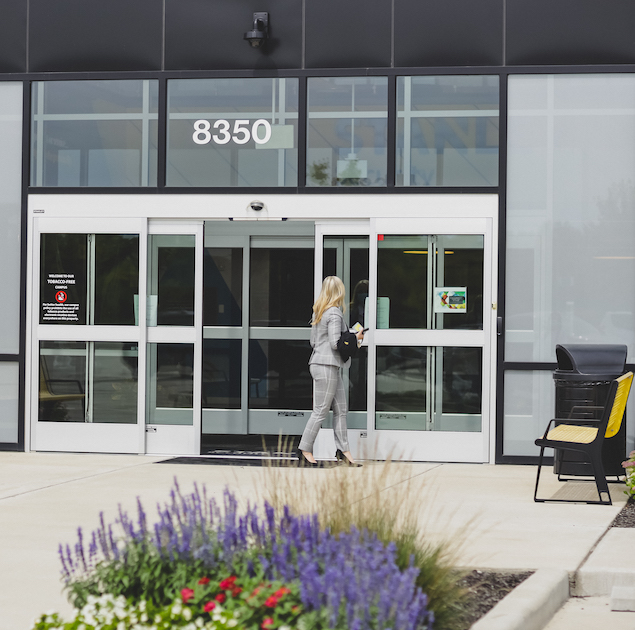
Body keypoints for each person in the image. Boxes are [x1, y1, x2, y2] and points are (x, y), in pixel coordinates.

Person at [297, 276, 364, 467]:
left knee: (341, 410)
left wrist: (349, 336)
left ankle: (344, 451)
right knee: (320, 411)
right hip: (326, 366)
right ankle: (305, 449)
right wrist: (356, 339)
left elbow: (314, 342)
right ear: (339, 292)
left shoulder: (319, 312)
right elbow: (336, 344)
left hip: (325, 365)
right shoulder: (334, 313)